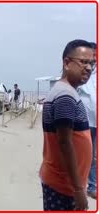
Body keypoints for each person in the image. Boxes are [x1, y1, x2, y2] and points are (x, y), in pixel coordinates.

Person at [40, 39, 95, 211]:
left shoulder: (67, 92)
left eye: (92, 63)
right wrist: (79, 190)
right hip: (63, 187)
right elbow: (65, 143)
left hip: (63, 183)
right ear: (66, 62)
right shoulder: (65, 96)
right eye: (84, 62)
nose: (89, 68)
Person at [78, 42, 97, 199]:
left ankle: (92, 186)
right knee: (83, 153)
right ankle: (80, 185)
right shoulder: (83, 71)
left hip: (96, 121)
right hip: (84, 120)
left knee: (94, 156)